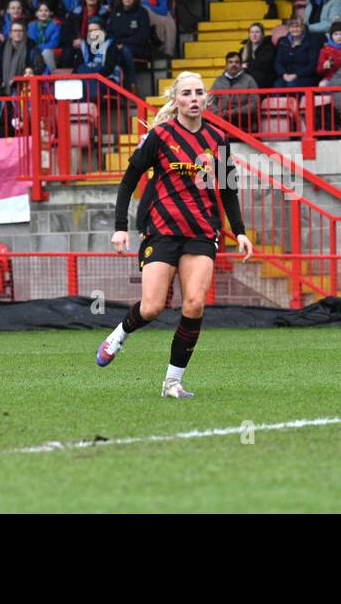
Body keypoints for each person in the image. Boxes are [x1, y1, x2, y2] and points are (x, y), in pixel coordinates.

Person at [97, 72, 254, 398]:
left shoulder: (218, 140)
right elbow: (129, 181)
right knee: (152, 307)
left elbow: (228, 190)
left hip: (201, 232)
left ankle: (172, 383)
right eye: (187, 93)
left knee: (194, 304)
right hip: (162, 231)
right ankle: (120, 334)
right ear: (176, 99)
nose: (194, 98)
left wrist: (239, 232)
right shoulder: (160, 136)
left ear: (206, 99)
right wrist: (120, 229)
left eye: (199, 92)